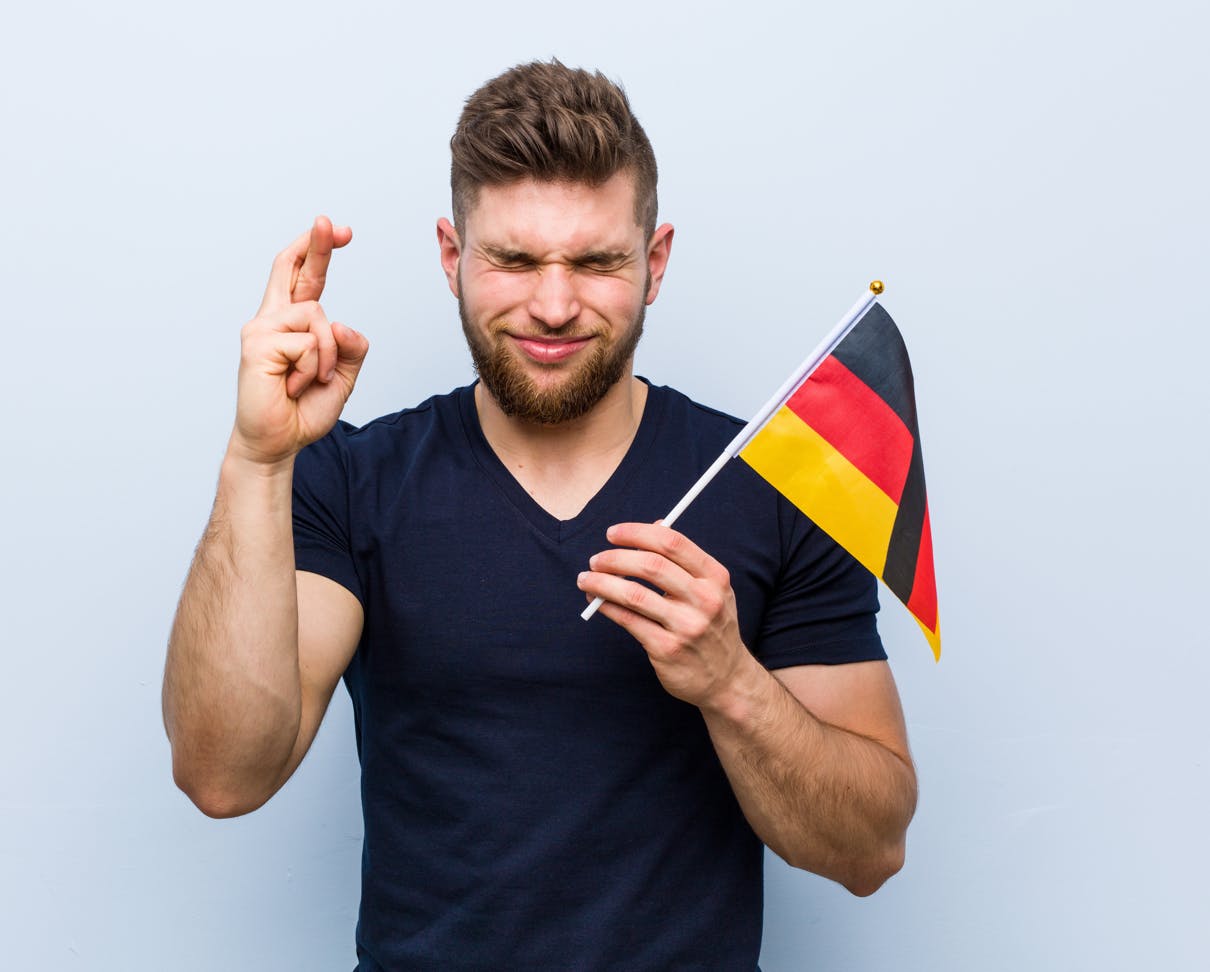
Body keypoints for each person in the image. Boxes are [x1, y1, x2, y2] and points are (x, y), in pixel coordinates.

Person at [163, 60, 916, 971]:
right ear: (453, 257)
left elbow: (870, 851)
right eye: (513, 260)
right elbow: (223, 775)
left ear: (655, 262)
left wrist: (730, 682)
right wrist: (257, 460)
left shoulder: (774, 488)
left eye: (597, 262)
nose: (554, 306)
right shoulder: (354, 479)